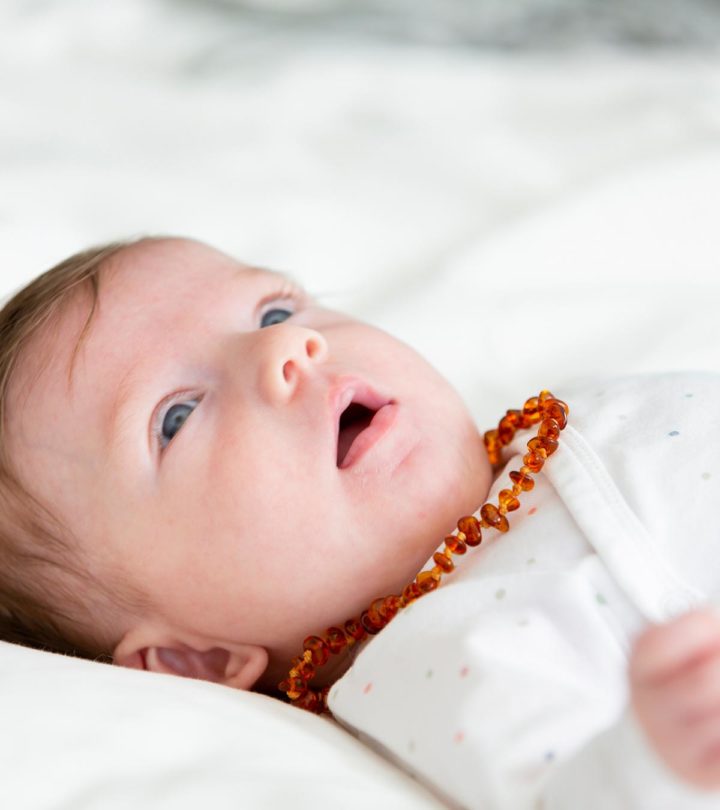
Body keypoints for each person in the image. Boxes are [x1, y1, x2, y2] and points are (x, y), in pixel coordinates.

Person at [0, 235, 718, 808]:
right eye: (177, 417)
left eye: (274, 312)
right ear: (196, 661)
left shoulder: (571, 412)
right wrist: (658, 761)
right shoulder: (437, 669)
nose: (286, 348)